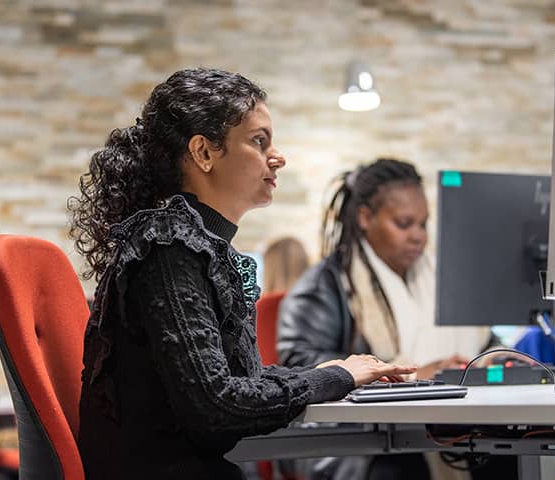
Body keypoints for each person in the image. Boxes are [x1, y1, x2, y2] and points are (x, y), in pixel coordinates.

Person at [68, 69, 416, 479]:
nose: (278, 157)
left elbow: (235, 383)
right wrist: (337, 377)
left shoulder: (192, 245)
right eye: (259, 141)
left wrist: (330, 374)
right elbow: (218, 406)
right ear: (204, 153)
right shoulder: (169, 247)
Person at [277, 158, 498, 480]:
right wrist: (405, 374)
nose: (418, 236)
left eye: (423, 224)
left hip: (427, 426)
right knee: (406, 470)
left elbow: (485, 343)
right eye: (404, 223)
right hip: (347, 438)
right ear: (366, 217)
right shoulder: (326, 285)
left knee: (505, 457)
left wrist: (497, 359)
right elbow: (299, 363)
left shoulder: (438, 280)